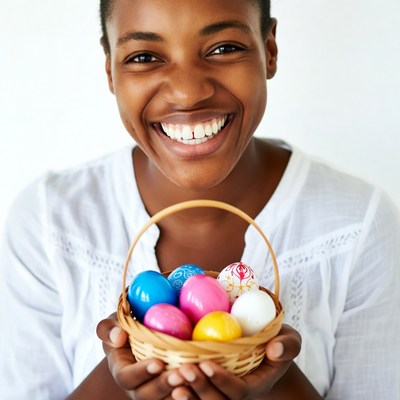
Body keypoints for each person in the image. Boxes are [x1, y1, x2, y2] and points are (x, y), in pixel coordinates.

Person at [1, 0, 399, 398]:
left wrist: (272, 373)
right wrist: (135, 359)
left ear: (269, 50)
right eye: (143, 56)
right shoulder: (49, 222)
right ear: (110, 70)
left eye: (224, 48)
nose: (188, 93)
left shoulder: (358, 224)